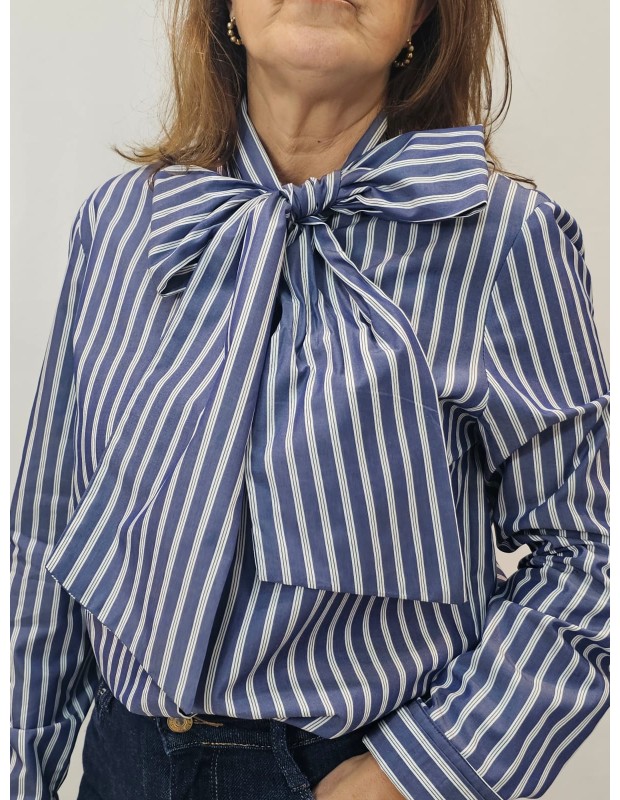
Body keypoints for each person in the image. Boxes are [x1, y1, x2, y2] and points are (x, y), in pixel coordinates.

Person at [10, 1, 610, 799]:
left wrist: (418, 774)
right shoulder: (125, 225)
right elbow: (49, 527)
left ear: (421, 19)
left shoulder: (506, 242)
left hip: (353, 766)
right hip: (124, 763)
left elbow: (591, 556)